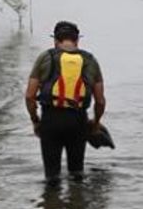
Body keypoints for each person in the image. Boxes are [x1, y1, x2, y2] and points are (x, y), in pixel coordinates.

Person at [25, 21, 106, 180]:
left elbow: (29, 96)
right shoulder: (90, 60)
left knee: (51, 177)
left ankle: (51, 202)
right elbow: (100, 101)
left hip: (50, 120)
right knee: (76, 174)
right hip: (78, 121)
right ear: (77, 40)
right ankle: (76, 202)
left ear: (55, 40)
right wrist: (95, 124)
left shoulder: (45, 57)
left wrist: (35, 121)